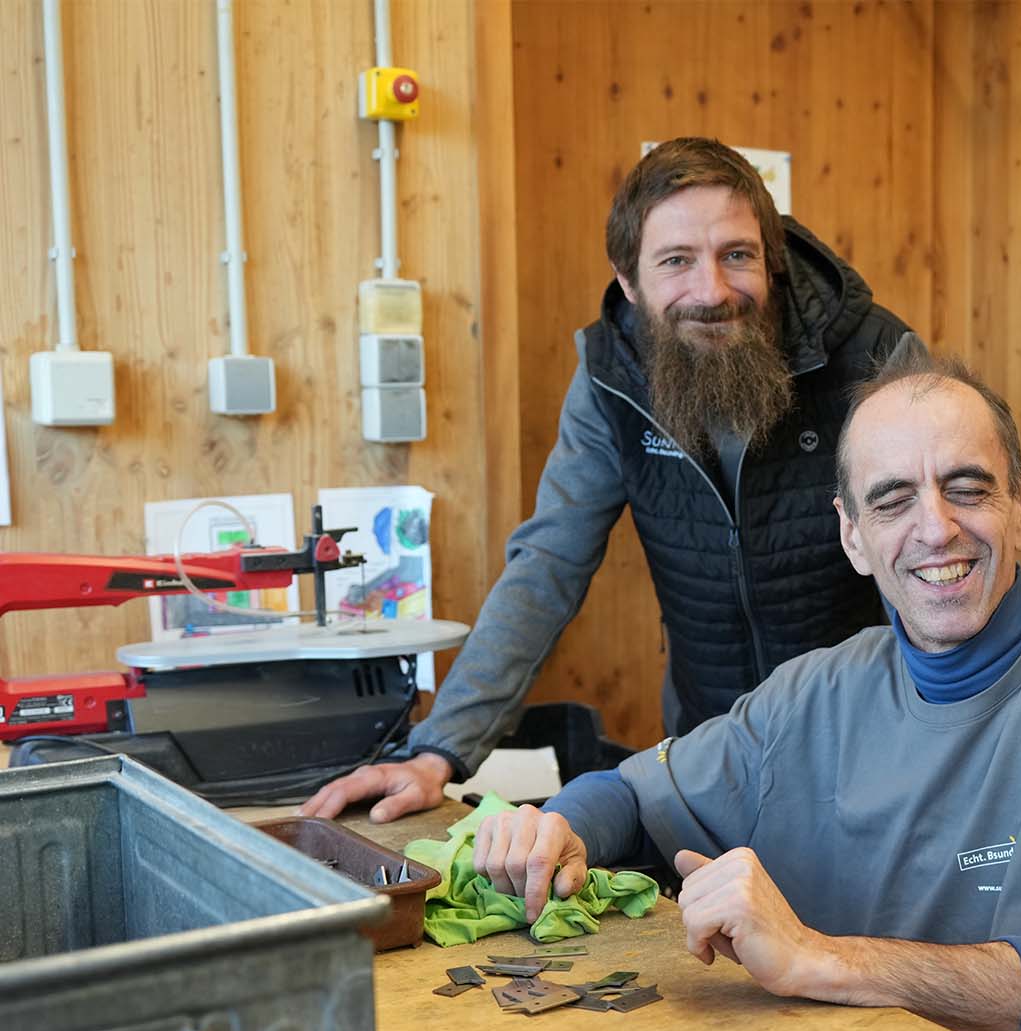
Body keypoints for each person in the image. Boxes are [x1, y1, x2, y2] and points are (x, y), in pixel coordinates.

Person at [471, 348, 1021, 1031]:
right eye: (892, 502)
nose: (936, 529)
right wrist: (555, 830)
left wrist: (820, 959)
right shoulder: (813, 692)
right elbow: (630, 795)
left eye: (967, 489)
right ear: (852, 536)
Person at [301, 138, 911, 824]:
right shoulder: (610, 380)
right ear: (629, 281)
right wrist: (439, 751)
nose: (711, 291)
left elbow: (936, 557)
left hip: (874, 756)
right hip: (712, 757)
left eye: (736, 255)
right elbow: (548, 564)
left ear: (770, 257)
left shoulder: (875, 355)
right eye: (675, 261)